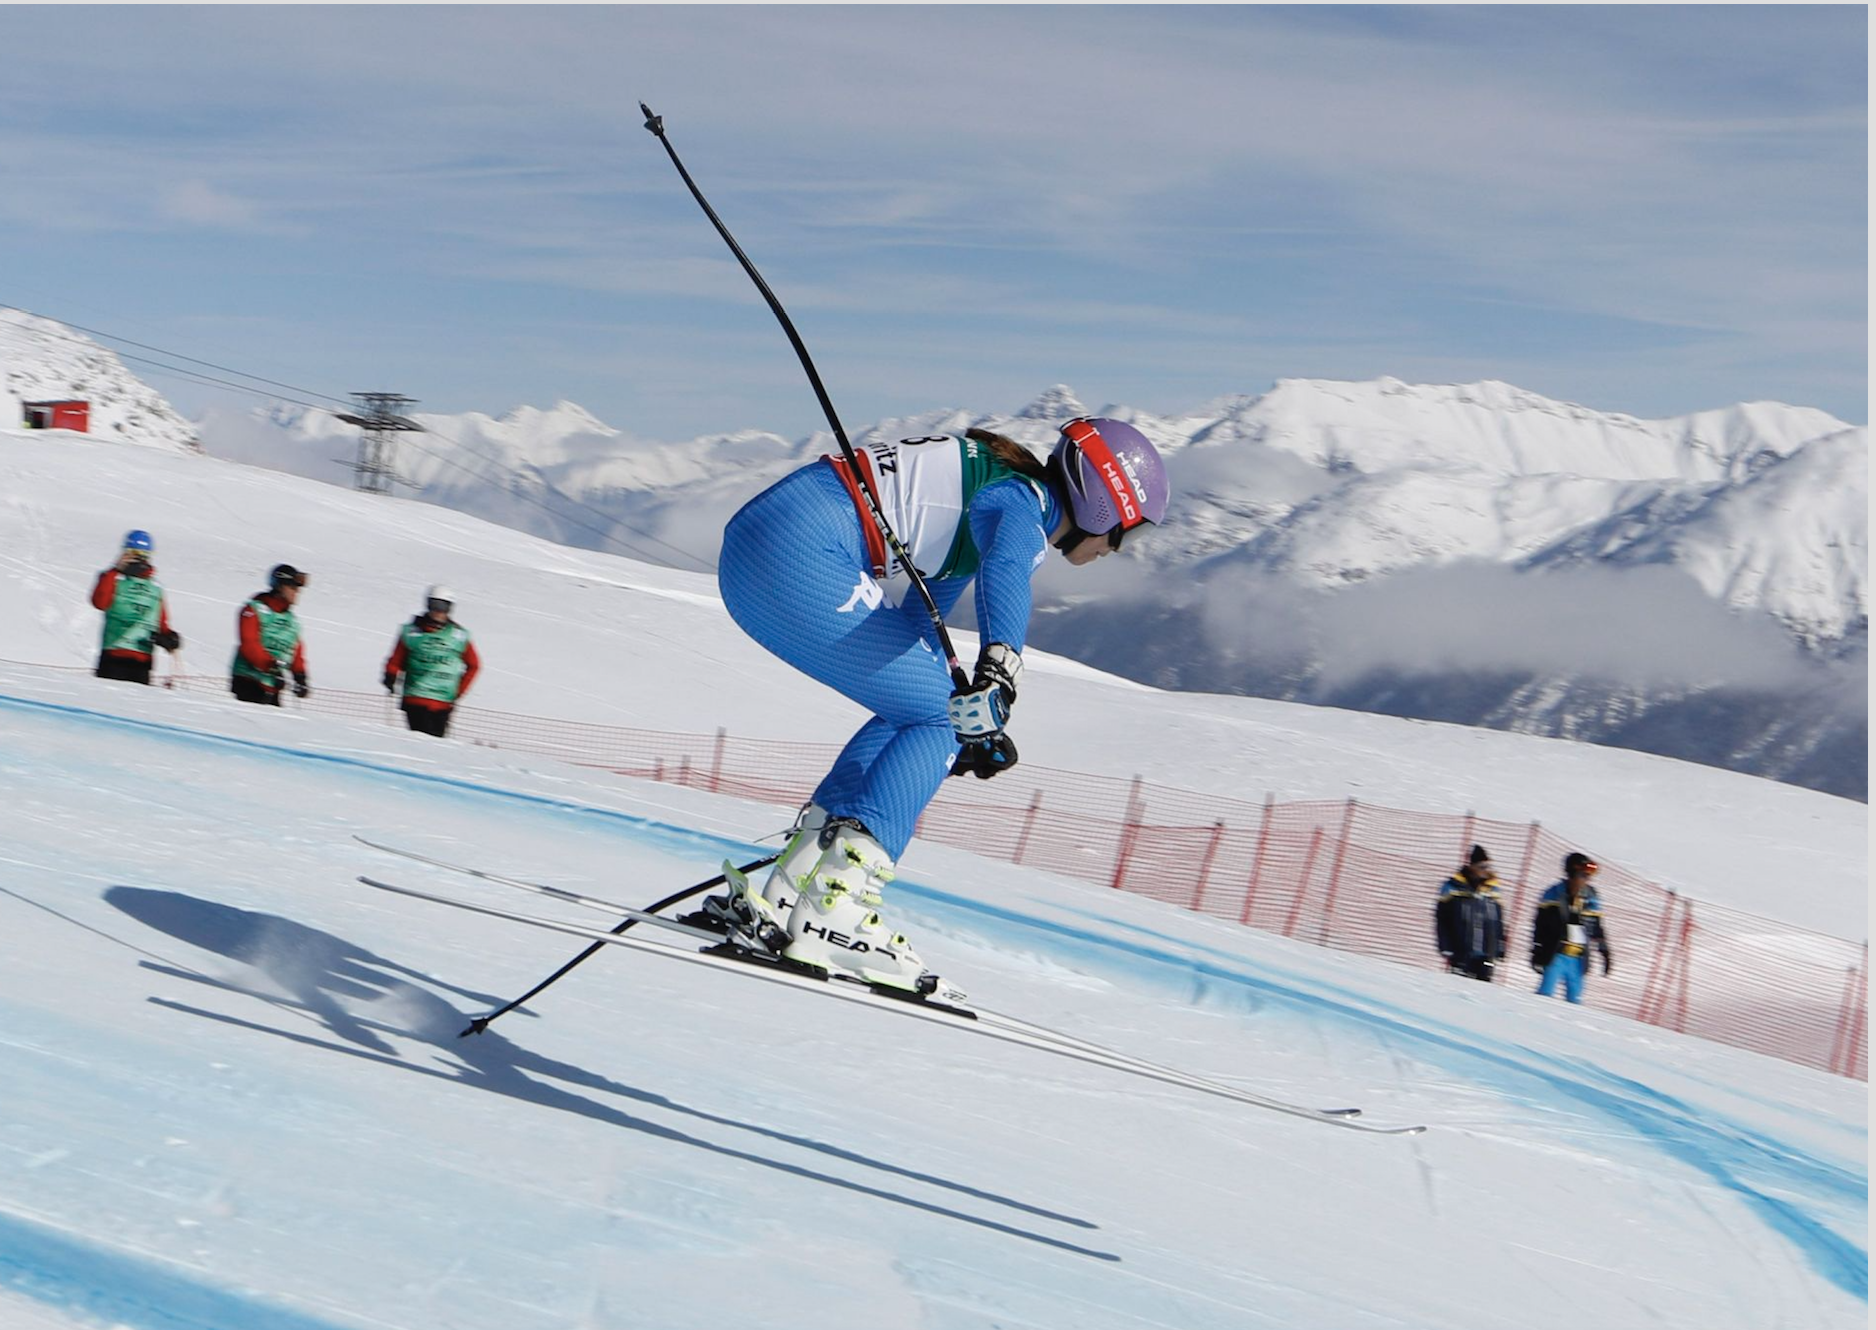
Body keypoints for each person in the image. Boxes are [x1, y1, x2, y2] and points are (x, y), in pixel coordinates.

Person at [703, 418, 1170, 995]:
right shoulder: (1021, 499)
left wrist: (967, 710)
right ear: (1102, 504)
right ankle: (837, 908)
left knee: (925, 709)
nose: (1117, 549)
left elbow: (914, 629)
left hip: (763, 544)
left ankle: (791, 891)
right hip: (800, 550)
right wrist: (999, 675)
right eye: (1128, 532)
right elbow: (1006, 572)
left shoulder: (992, 493)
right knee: (937, 716)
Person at [382, 585, 480, 737]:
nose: (439, 611)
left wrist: (458, 691)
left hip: (442, 702)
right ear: (428, 605)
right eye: (435, 605)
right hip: (415, 699)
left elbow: (474, 665)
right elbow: (397, 659)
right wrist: (391, 675)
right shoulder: (411, 632)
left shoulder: (459, 636)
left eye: (444, 606)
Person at [90, 529, 181, 684]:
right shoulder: (113, 578)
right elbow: (99, 602)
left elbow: (161, 623)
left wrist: (169, 638)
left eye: (144, 555)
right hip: (114, 655)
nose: (139, 559)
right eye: (134, 553)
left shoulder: (155, 588)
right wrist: (115, 570)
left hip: (142, 661)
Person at [1530, 852, 1614, 1003]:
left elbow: (1597, 928)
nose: (1586, 881)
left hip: (1578, 958)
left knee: (1574, 1001)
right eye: (1583, 876)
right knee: (1545, 995)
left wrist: (1605, 952)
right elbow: (1539, 926)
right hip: (1556, 955)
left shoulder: (1591, 898)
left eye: (1588, 877)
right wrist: (1537, 951)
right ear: (1571, 874)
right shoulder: (1553, 894)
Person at [230, 564, 310, 707]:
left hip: (273, 686)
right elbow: (249, 643)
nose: (296, 593)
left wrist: (300, 676)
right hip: (249, 681)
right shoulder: (254, 610)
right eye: (292, 588)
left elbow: (295, 648)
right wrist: (270, 666)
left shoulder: (291, 621)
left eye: (297, 589)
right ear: (279, 587)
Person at [1435, 844, 1505, 982]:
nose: (1486, 870)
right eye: (1482, 867)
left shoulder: (1493, 890)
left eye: (1488, 866)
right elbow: (1442, 920)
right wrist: (1445, 946)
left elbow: (1499, 922)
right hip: (1461, 951)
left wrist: (1500, 948)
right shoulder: (1453, 887)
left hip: (1487, 954)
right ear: (1472, 866)